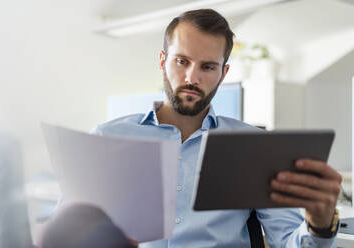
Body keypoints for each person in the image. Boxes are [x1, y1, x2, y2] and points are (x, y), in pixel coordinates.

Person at [42, 9, 342, 247]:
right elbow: (65, 234)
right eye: (182, 61)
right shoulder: (108, 138)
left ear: (223, 74)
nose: (191, 77)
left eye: (207, 67)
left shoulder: (253, 146)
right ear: (162, 61)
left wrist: (319, 224)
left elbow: (290, 244)